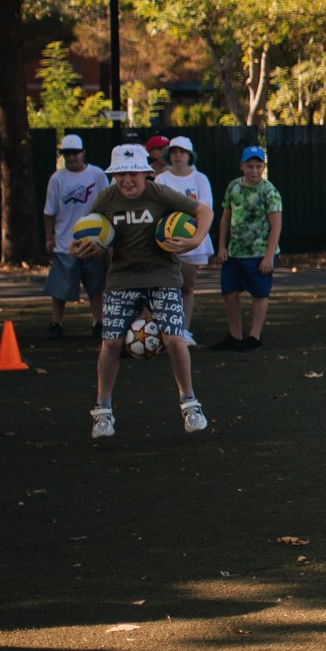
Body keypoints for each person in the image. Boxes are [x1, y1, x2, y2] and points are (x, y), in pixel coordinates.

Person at [83, 142, 210, 438]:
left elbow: (204, 211)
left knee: (175, 339)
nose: (127, 180)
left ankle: (190, 403)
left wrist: (196, 240)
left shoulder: (159, 192)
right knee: (111, 343)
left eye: (133, 174)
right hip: (121, 279)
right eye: (121, 174)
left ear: (145, 173)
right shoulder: (105, 197)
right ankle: (102, 410)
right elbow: (88, 231)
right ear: (114, 176)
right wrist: (82, 248)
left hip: (162, 276)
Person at [213, 145, 283, 350]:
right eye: (250, 166)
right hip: (235, 251)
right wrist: (222, 246)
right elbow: (226, 217)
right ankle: (235, 335)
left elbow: (276, 225)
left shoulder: (269, 191)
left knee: (259, 293)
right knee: (229, 291)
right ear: (241, 166)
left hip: (259, 251)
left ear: (263, 167)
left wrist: (269, 256)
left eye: (258, 166)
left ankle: (254, 336)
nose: (254, 171)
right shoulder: (233, 187)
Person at [39, 133, 107, 339]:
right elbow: (49, 211)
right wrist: (49, 237)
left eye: (75, 153)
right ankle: (56, 323)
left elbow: (108, 204)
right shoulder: (57, 179)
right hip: (65, 240)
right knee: (60, 287)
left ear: (83, 153)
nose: (71, 158)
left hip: (93, 240)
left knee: (96, 285)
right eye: (67, 154)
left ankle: (98, 322)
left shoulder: (97, 174)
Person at [161, 136, 214, 337]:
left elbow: (206, 206)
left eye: (182, 152)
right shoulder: (161, 179)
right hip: (167, 240)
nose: (177, 156)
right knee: (166, 287)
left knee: (187, 286)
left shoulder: (200, 179)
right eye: (174, 152)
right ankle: (165, 330)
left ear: (189, 155)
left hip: (192, 240)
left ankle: (184, 330)